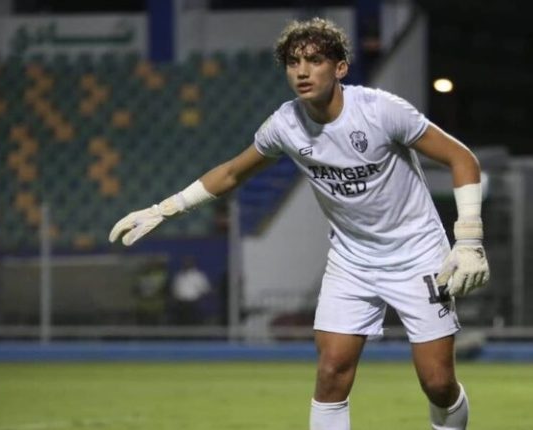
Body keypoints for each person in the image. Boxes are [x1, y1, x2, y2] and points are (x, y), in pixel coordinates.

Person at [109, 18, 489, 430]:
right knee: (331, 372)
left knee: (437, 383)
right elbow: (233, 172)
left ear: (340, 68)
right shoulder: (285, 125)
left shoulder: (380, 110)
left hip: (418, 257)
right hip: (352, 262)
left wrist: (469, 239)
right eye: (293, 63)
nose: (302, 71)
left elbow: (462, 159)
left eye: (314, 60)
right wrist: (164, 209)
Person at [170, 256, 211, 325]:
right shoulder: (178, 275)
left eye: (189, 262)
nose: (186, 263)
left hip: (193, 304)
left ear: (194, 263)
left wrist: (198, 298)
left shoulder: (199, 275)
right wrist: (174, 298)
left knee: (193, 323)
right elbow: (174, 289)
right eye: (185, 262)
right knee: (180, 323)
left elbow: (206, 290)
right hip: (180, 304)